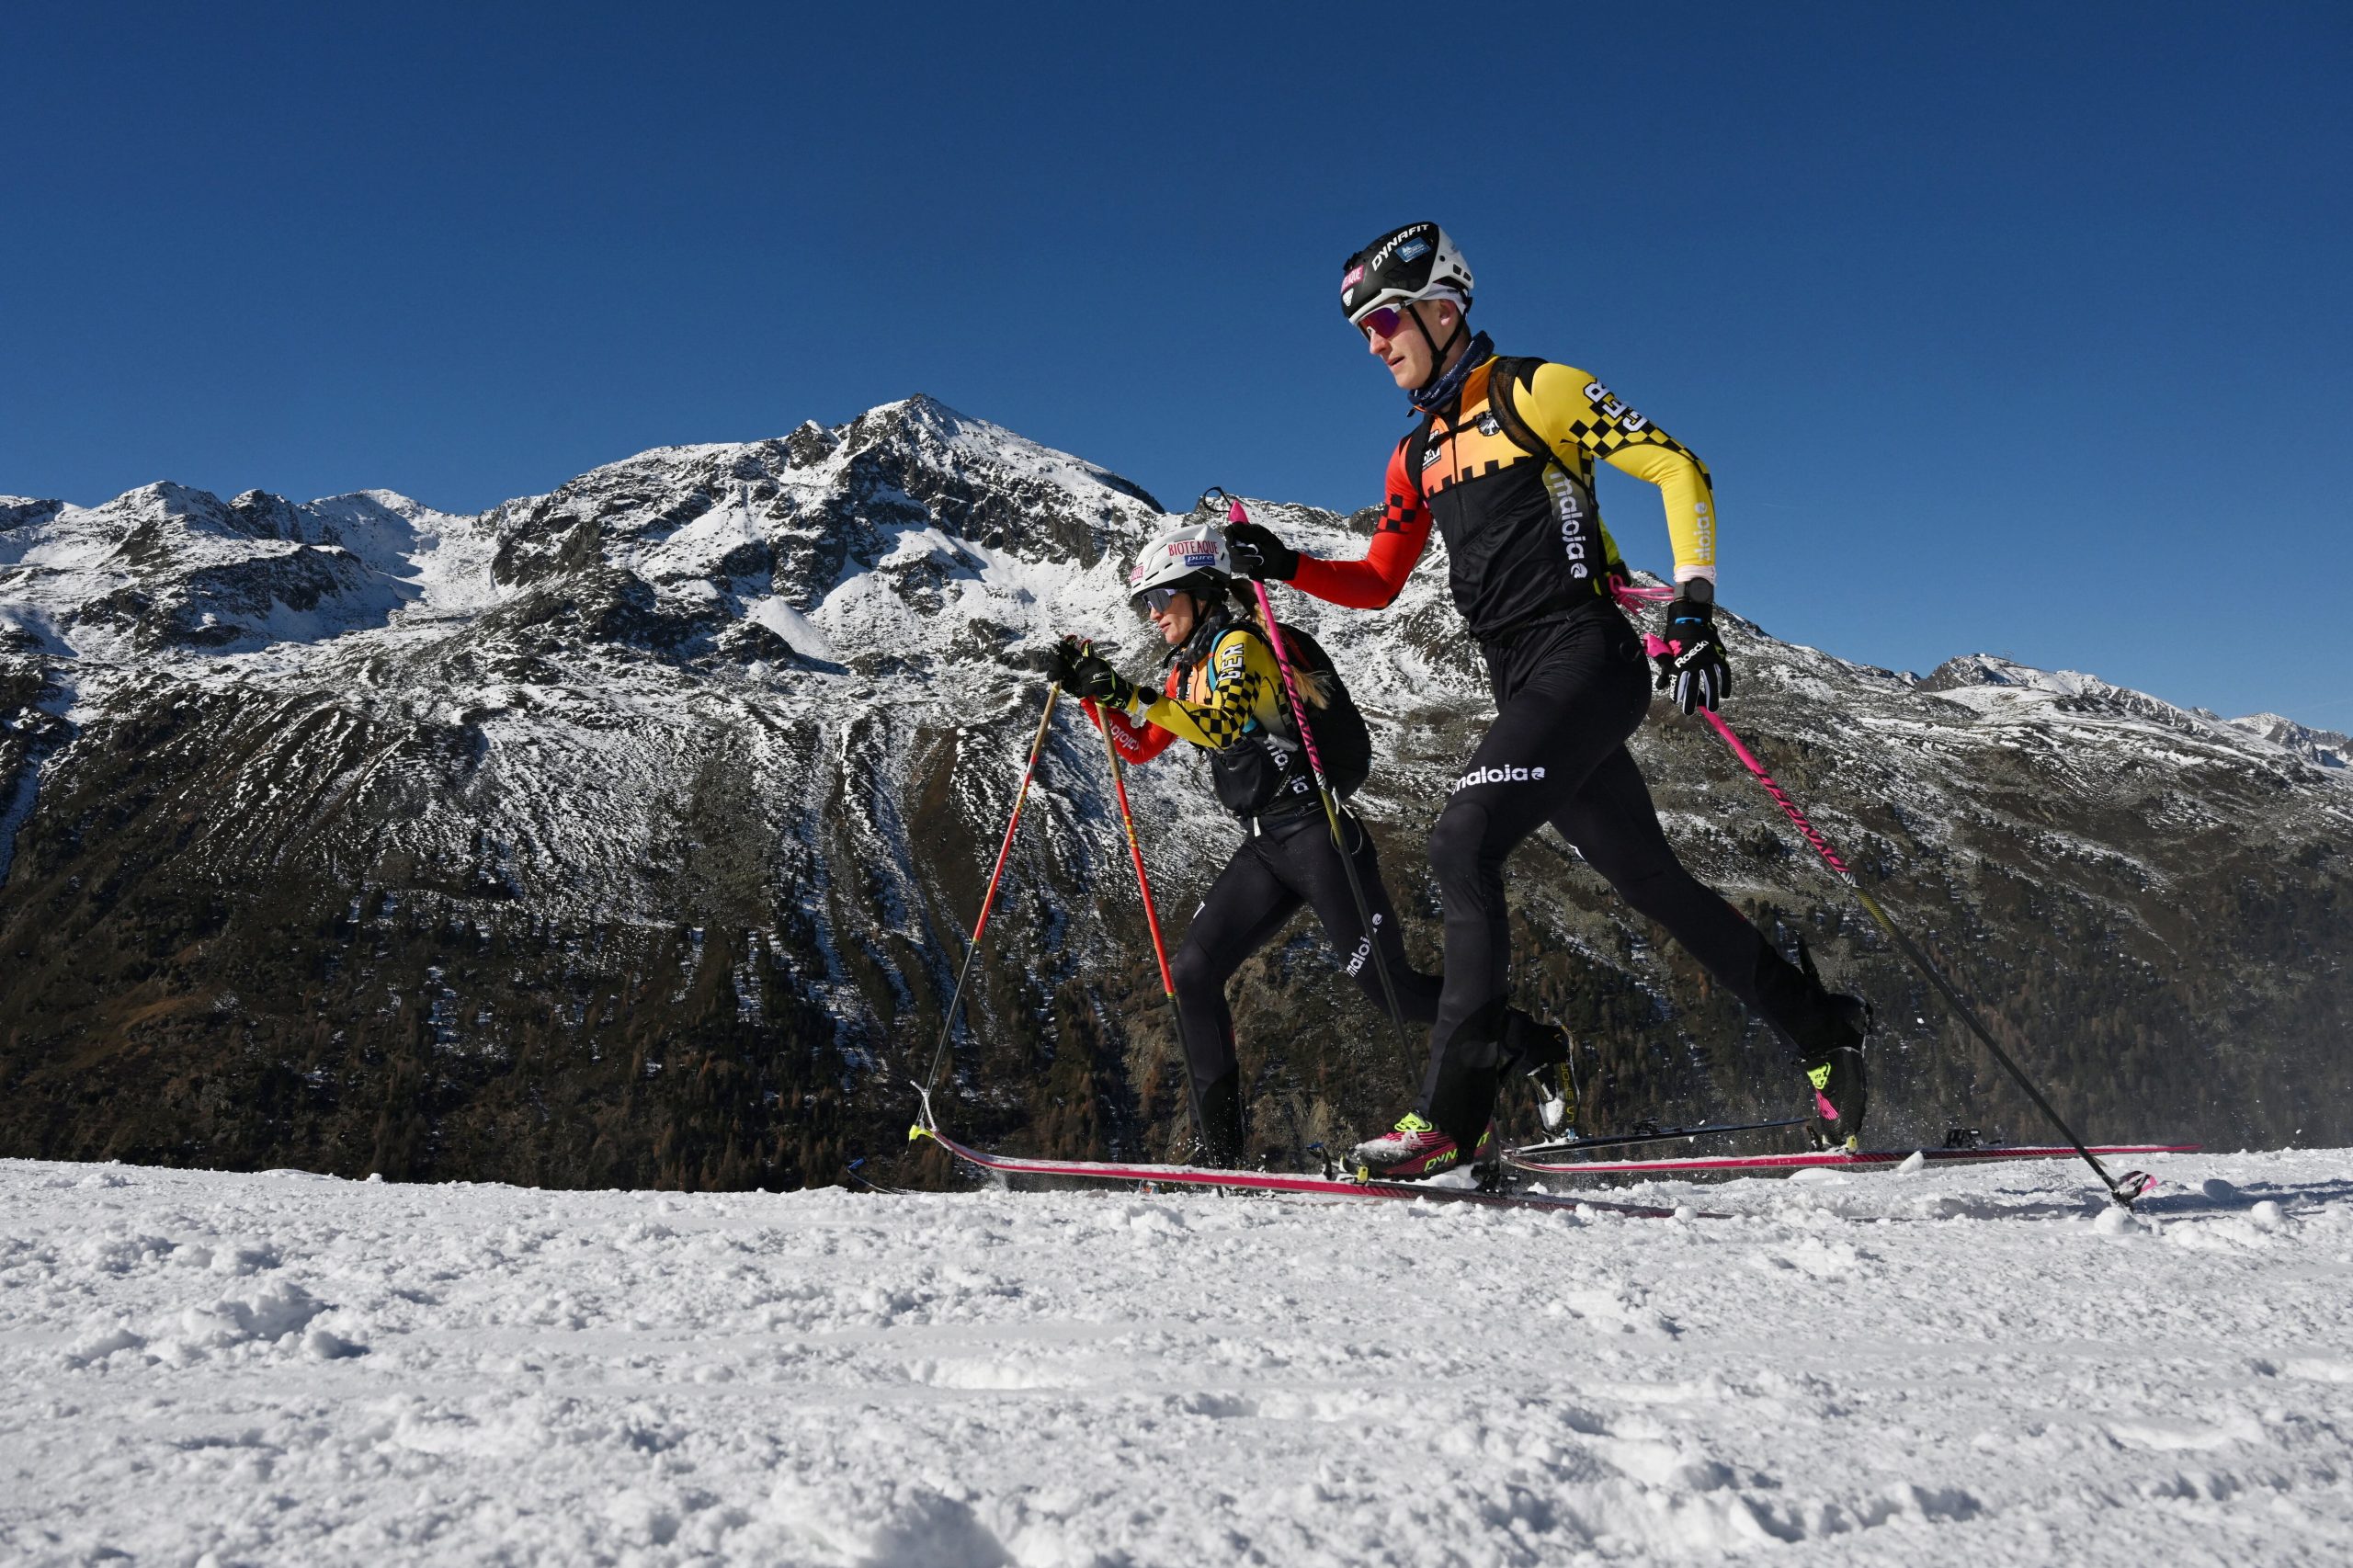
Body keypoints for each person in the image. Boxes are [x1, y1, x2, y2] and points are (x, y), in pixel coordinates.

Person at [1222, 221, 1870, 1177]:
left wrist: (1694, 603)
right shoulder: (1415, 455)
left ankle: (1454, 1114)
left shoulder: (1539, 390)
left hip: (1585, 656)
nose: (1373, 344)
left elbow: (1675, 465)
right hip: (1521, 678)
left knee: (1462, 839)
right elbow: (1378, 581)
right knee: (1651, 883)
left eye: (1385, 320)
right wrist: (1286, 564)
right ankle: (1823, 1029)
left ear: (1444, 308)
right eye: (1361, 329)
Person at [1051, 522, 1567, 1173]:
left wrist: (1125, 693)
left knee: (1392, 990)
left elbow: (1219, 726)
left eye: (1158, 598)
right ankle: (1221, 1160)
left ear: (1200, 592)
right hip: (1266, 845)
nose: (1151, 615)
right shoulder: (1187, 668)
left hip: (1319, 838)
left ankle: (1530, 1042)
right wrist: (1092, 695)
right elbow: (1140, 747)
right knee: (1192, 973)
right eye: (1142, 604)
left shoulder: (1240, 646)